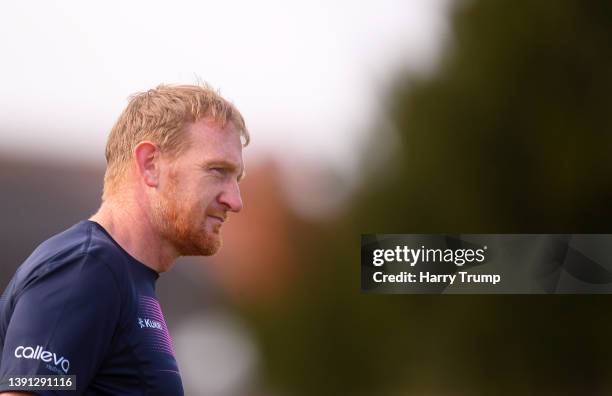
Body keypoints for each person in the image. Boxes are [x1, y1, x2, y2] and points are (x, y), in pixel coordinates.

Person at [0, 84, 249, 395]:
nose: (235, 200)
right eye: (216, 170)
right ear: (150, 165)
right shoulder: (85, 271)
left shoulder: (124, 277)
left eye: (236, 179)